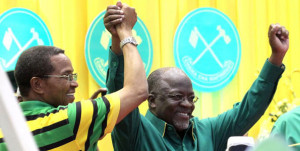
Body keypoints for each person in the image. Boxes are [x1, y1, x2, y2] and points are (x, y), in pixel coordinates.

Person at [104, 2, 289, 150]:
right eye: (178, 97)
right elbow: (120, 93)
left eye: (191, 98)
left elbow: (248, 110)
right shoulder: (135, 132)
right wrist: (119, 36)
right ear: (152, 100)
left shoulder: (206, 132)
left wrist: (276, 57)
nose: (188, 104)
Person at [0, 3, 148, 151]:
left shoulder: (6, 131)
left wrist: (116, 36)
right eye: (66, 76)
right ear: (37, 84)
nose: (75, 84)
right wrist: (126, 32)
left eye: (73, 76)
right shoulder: (69, 120)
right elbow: (138, 90)